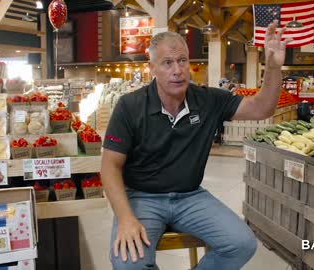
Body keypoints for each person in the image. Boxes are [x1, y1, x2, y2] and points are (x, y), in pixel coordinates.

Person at [101, 20, 288, 270]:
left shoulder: (208, 100)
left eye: (182, 61)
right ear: (152, 69)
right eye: (167, 63)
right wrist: (125, 218)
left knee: (242, 243)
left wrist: (274, 67)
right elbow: (110, 167)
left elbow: (262, 108)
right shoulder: (130, 106)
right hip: (142, 197)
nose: (177, 70)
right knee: (127, 264)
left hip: (189, 196)